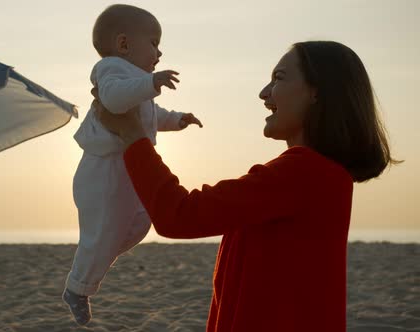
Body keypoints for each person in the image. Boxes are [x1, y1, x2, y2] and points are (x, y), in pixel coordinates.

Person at [95, 41, 399, 331]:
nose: (264, 93)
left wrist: (133, 135)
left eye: (278, 78)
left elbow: (178, 215)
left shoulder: (303, 172)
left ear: (316, 93)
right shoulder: (318, 175)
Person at [64, 4, 203, 325]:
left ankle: (93, 267)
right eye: (153, 42)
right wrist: (151, 82)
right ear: (124, 44)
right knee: (102, 233)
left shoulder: (136, 81)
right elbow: (113, 100)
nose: (159, 50)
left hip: (124, 169)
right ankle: (77, 288)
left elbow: (147, 116)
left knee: (140, 222)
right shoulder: (110, 68)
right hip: (103, 171)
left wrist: (176, 119)